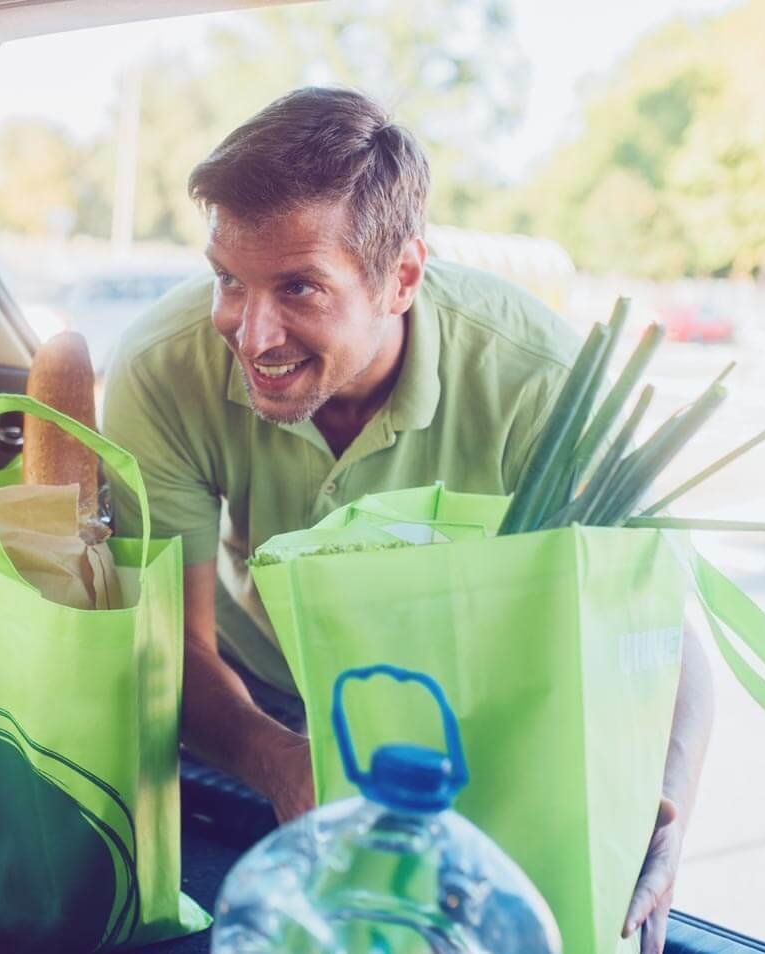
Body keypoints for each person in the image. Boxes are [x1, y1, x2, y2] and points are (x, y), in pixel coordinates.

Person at [102, 86, 713, 953]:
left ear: (403, 279)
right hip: (244, 701)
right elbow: (169, 646)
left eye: (299, 287)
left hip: (470, 716)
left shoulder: (538, 382)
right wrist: (277, 759)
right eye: (228, 281)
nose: (250, 333)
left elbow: (665, 635)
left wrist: (669, 805)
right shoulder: (162, 366)